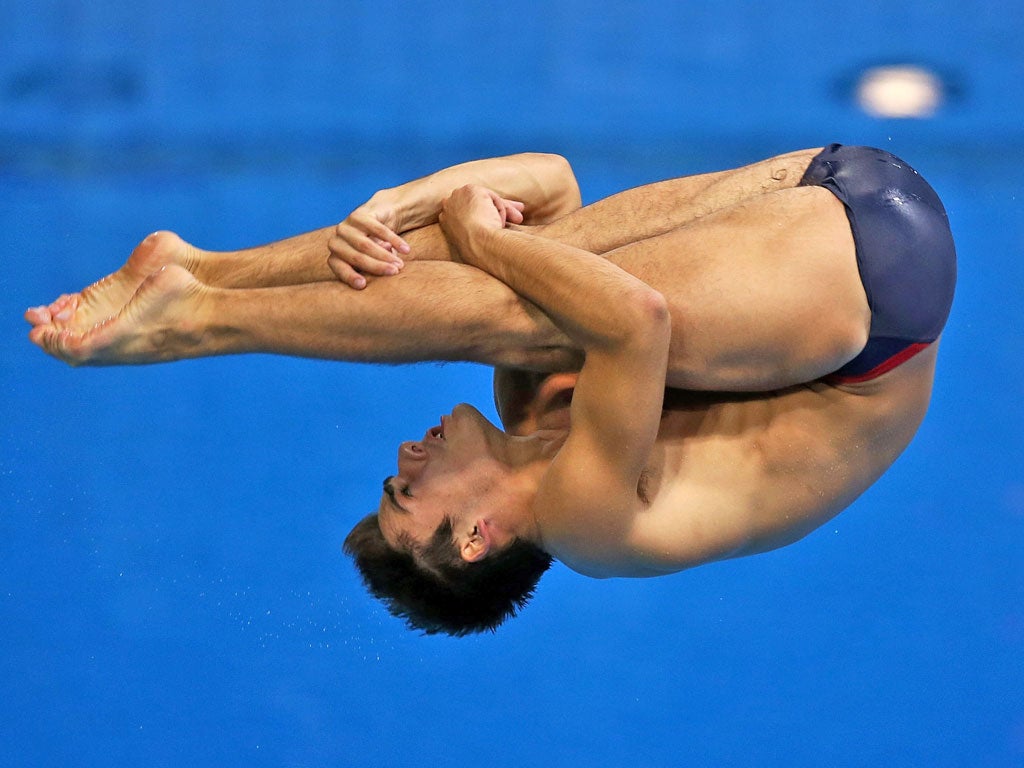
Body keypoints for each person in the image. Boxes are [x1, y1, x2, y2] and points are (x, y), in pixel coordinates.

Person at [25, 145, 956, 636]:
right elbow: (636, 321)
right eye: (404, 496)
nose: (401, 460)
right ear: (476, 539)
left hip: (827, 183)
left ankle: (208, 271)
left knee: (518, 287)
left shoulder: (532, 408)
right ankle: (199, 321)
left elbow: (551, 188)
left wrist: (410, 200)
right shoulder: (591, 524)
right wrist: (479, 233)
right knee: (522, 300)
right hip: (877, 302)